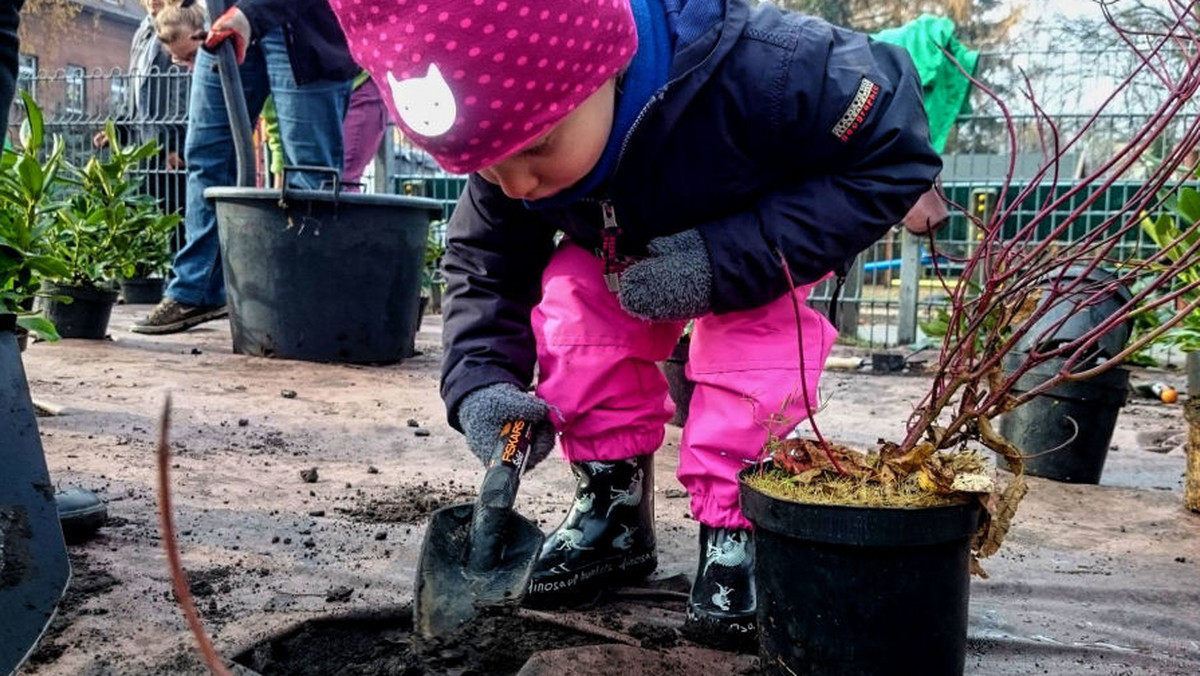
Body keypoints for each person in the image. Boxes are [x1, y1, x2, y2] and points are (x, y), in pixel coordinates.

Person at [330, 0, 940, 646]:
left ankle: (738, 528)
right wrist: (481, 381)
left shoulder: (769, 68)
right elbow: (487, 263)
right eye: (485, 167)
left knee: (752, 354)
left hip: (757, 247)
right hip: (622, 253)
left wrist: (721, 263)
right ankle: (611, 507)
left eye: (536, 148)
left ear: (605, 69)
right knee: (574, 308)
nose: (515, 185)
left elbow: (893, 148)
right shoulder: (514, 143)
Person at [132, 0, 358, 335]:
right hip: (224, 17)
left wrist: (251, 14)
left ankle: (308, 301)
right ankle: (200, 289)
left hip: (299, 24)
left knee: (310, 170)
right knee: (208, 155)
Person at [94, 0, 190, 221]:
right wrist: (117, 129)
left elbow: (182, 91)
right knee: (140, 220)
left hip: (170, 150)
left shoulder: (181, 27)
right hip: (143, 147)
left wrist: (176, 144)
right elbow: (134, 92)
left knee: (175, 221)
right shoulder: (142, 33)